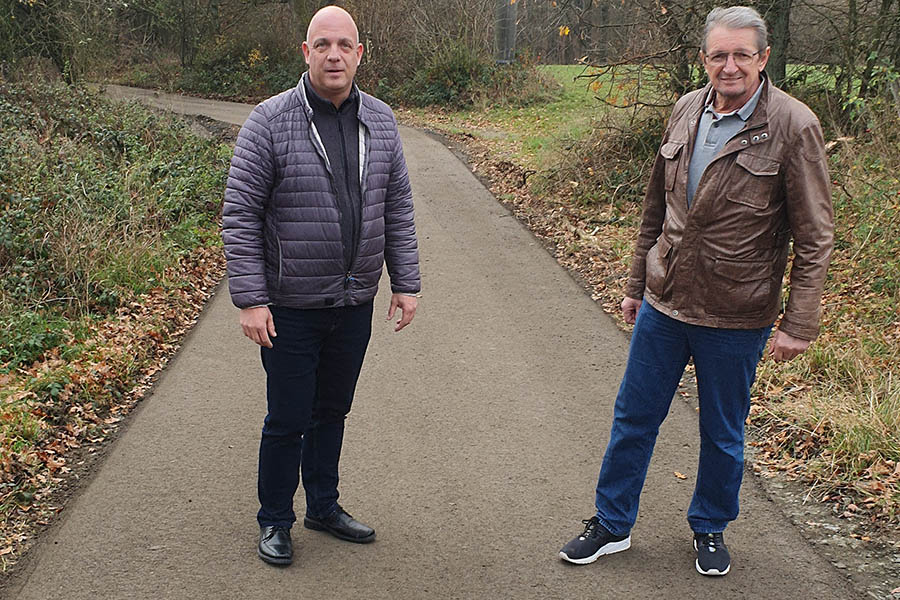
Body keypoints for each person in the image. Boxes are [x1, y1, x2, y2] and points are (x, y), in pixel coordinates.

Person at [559, 6, 833, 576]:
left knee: (722, 432)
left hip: (738, 313)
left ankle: (709, 527)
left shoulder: (794, 125)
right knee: (633, 417)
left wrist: (798, 322)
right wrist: (637, 283)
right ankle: (611, 524)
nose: (728, 66)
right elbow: (655, 208)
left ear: (762, 59)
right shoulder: (686, 109)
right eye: (718, 55)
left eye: (741, 55)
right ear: (703, 59)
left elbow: (814, 235)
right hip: (665, 301)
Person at [222, 5, 420, 566]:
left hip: (353, 300)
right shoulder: (269, 120)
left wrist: (405, 282)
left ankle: (323, 506)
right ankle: (275, 520)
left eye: (345, 45)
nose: (335, 54)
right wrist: (251, 299)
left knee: (332, 409)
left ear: (360, 54)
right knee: (288, 415)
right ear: (305, 52)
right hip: (291, 304)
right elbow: (239, 213)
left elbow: (398, 206)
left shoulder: (380, 120)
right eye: (323, 44)